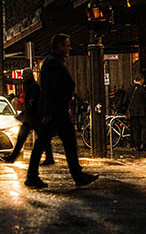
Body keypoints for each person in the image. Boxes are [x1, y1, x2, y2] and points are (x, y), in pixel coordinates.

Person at [25, 33, 98, 189]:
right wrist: (49, 112)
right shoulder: (53, 63)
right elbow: (51, 89)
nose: (69, 48)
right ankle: (74, 175)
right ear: (58, 46)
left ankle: (35, 176)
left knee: (49, 142)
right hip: (56, 111)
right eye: (66, 45)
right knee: (52, 142)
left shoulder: (53, 61)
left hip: (56, 110)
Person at [0, 68, 54, 164]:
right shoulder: (29, 85)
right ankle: (13, 157)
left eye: (25, 75)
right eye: (23, 75)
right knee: (26, 138)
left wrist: (28, 109)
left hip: (34, 117)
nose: (23, 77)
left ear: (29, 75)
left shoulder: (33, 86)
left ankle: (48, 158)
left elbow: (34, 100)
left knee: (40, 137)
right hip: (31, 117)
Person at [125, 73, 146, 151]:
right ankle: (144, 145)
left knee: (135, 129)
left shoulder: (129, 89)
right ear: (141, 80)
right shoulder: (142, 89)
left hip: (133, 112)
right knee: (144, 128)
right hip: (142, 112)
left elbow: (125, 101)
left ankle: (137, 145)